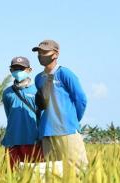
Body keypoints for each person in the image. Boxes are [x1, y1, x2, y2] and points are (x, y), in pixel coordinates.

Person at [32, 39, 89, 170]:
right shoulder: (38, 78)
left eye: (45, 52)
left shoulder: (64, 73)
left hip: (67, 130)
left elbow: (81, 99)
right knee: (53, 173)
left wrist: (73, 120)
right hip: (46, 132)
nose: (41, 55)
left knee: (77, 169)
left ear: (56, 54)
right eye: (39, 52)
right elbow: (40, 106)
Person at [1, 56, 43, 169]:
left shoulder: (37, 90)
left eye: (21, 68)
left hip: (33, 139)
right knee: (12, 175)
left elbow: (42, 115)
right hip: (12, 140)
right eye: (15, 69)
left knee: (35, 174)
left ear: (29, 70)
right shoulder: (7, 93)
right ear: (11, 71)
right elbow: (8, 114)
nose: (18, 71)